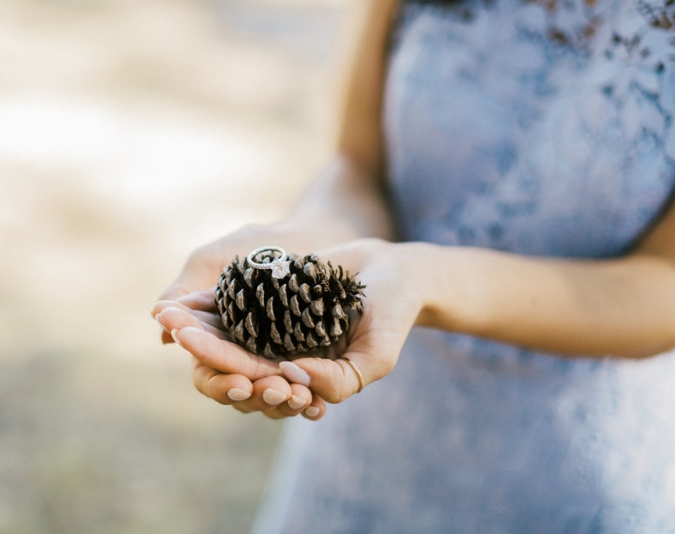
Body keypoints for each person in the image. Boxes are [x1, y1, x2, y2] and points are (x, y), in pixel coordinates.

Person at [153, 0, 675, 530]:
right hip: (363, 443)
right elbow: (358, 167)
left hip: (572, 475)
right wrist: (307, 245)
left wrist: (426, 279)